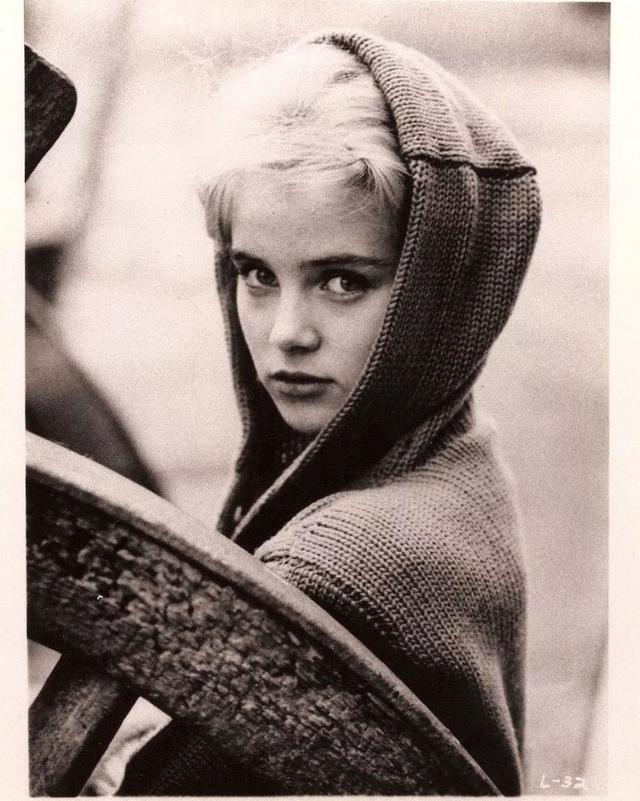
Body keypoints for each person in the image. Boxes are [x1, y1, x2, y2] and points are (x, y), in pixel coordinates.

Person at [119, 30, 541, 795]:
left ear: (436, 291)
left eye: (342, 280)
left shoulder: (339, 568)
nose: (287, 332)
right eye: (256, 273)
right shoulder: (457, 455)